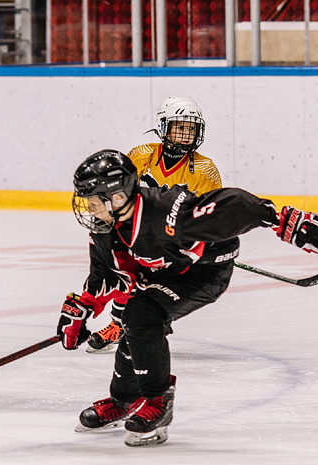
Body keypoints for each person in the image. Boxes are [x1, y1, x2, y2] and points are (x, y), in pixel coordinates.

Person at [58, 149, 318, 447]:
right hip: (164, 270)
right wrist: (82, 306)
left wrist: (279, 219)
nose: (89, 208)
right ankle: (124, 398)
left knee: (141, 313)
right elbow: (107, 273)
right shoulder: (105, 227)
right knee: (134, 319)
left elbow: (231, 205)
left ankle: (157, 400)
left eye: (95, 200)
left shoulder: (164, 212)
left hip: (204, 273)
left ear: (119, 197)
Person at [87, 96, 223, 353]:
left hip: (173, 240)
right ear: (163, 127)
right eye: (179, 128)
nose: (185, 135)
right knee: (121, 274)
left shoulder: (205, 170)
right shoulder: (140, 156)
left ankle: (129, 325)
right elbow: (119, 193)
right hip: (136, 231)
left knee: (148, 287)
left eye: (191, 129)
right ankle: (120, 323)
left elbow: (212, 216)